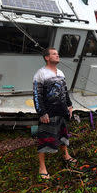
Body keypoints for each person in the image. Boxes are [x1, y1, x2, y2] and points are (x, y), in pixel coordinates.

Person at [33, 47, 76, 180]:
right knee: (45, 139)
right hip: (49, 113)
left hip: (62, 111)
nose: (57, 55)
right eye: (54, 54)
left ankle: (66, 155)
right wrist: (42, 113)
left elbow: (65, 91)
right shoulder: (40, 74)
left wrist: (70, 106)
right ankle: (42, 167)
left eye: (57, 53)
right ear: (47, 57)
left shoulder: (61, 72)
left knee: (63, 134)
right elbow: (36, 95)